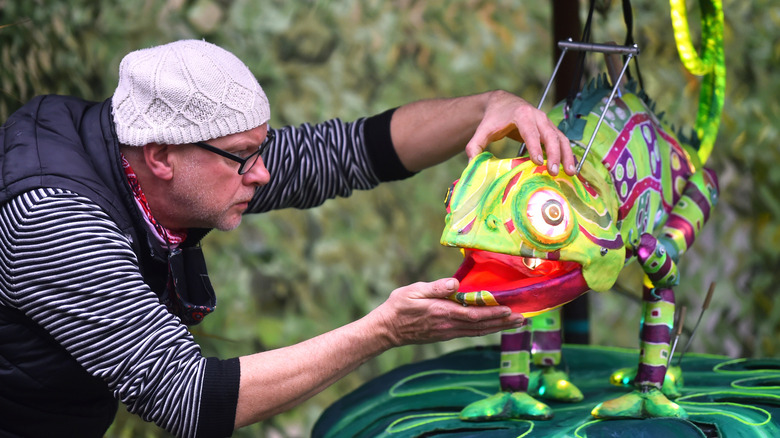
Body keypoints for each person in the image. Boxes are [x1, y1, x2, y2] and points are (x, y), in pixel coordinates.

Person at [0, 39, 575, 437]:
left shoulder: (153, 152)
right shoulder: (54, 220)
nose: (265, 173)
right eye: (246, 157)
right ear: (161, 157)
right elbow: (191, 399)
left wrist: (488, 106)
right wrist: (383, 331)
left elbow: (348, 153)